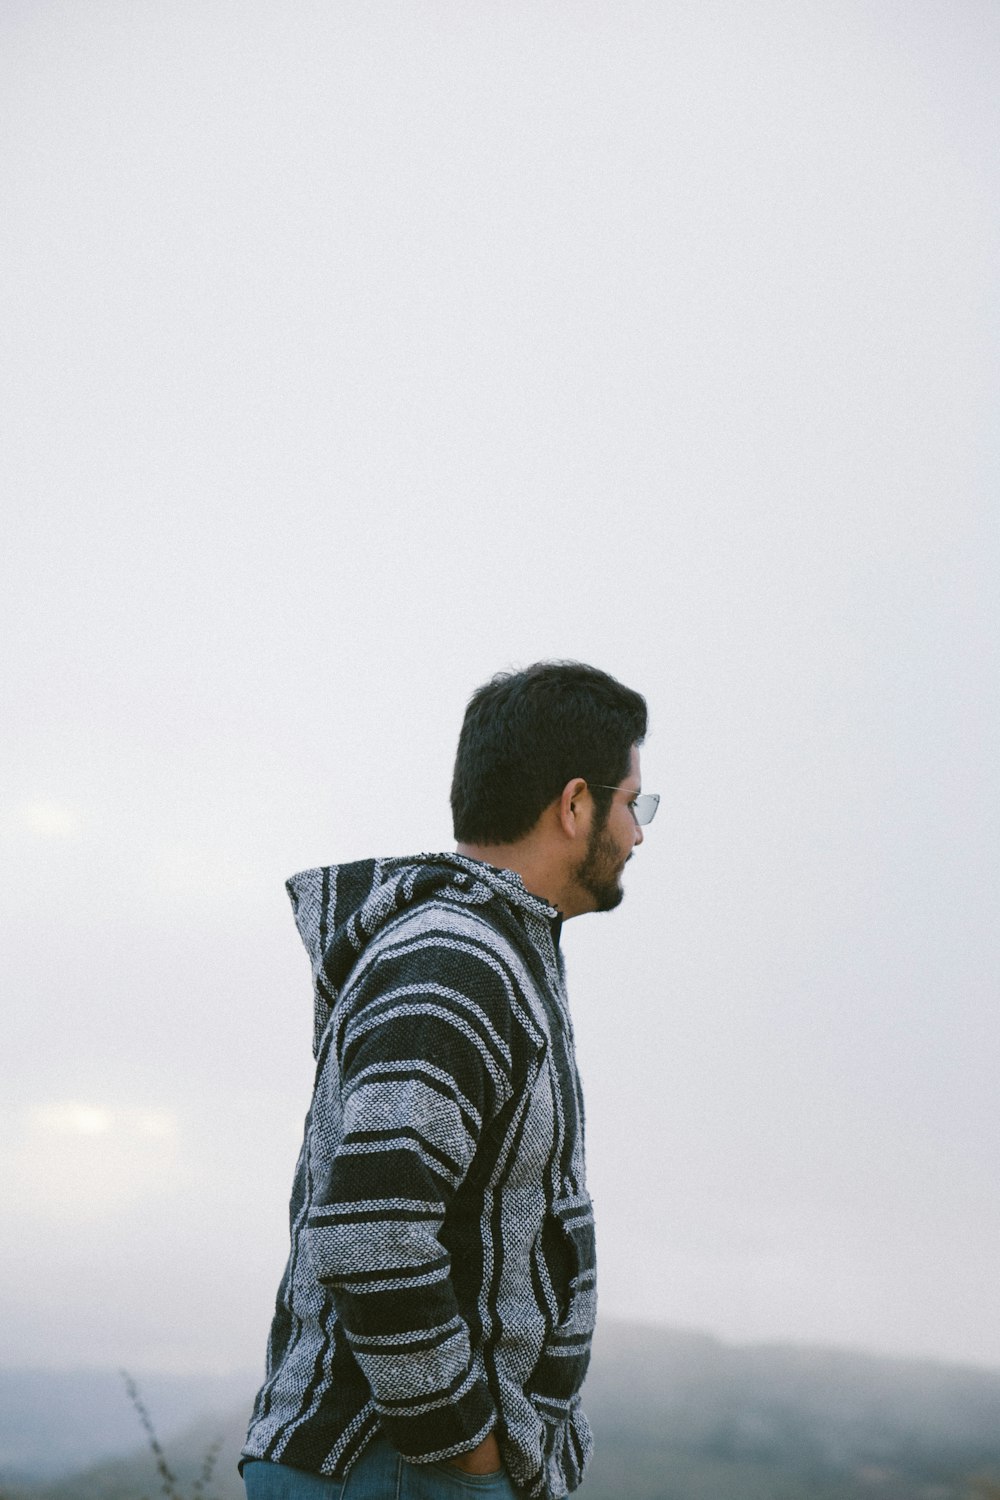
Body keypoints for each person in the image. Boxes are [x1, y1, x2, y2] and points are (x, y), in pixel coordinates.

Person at [241, 661, 656, 1500]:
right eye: (632, 805)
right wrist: (464, 1453)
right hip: (396, 1469)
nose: (640, 833)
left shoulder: (479, 951)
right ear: (575, 805)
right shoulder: (454, 961)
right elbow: (372, 1225)